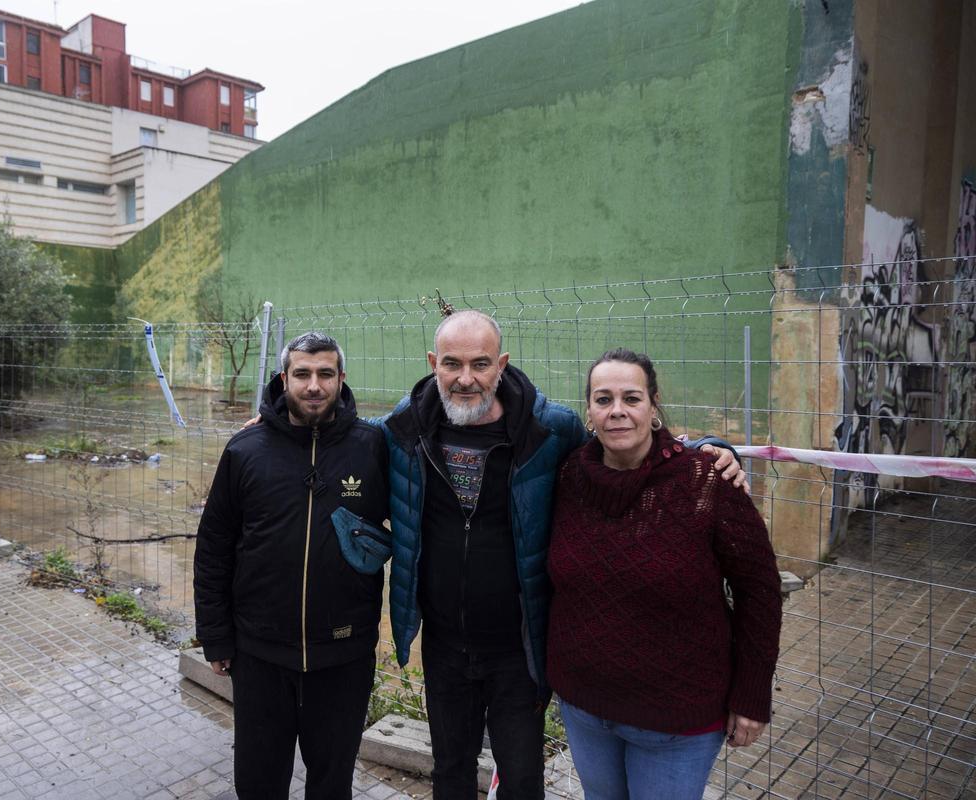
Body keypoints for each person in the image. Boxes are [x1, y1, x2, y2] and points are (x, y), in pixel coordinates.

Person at [379, 311, 746, 799]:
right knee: (449, 772)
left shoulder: (550, 429)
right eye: (452, 364)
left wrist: (708, 448)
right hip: (444, 645)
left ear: (502, 364)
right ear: (433, 363)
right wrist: (277, 420)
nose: (466, 378)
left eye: (480, 363)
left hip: (520, 648)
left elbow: (624, 452)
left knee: (522, 777)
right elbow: (338, 432)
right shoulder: (404, 428)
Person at [546, 348, 782, 800]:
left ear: (654, 405)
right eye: (603, 399)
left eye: (631, 398)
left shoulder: (707, 481)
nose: (617, 411)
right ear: (589, 413)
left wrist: (752, 696)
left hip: (676, 720)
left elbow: (761, 591)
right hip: (584, 706)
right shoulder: (569, 477)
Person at [193, 331, 390, 800]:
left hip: (343, 654)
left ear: (342, 379)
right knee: (259, 782)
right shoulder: (246, 450)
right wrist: (216, 635)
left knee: (332, 783)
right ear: (284, 379)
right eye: (302, 374)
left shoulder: (372, 447)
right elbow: (214, 547)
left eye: (326, 373)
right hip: (260, 654)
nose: (314, 386)